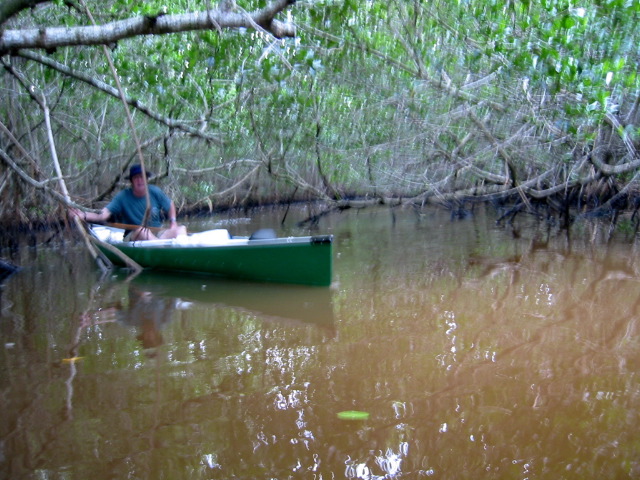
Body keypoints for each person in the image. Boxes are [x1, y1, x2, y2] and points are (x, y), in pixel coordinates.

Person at [70, 164, 187, 241]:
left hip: (157, 232)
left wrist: (173, 222)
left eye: (142, 177)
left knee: (181, 229)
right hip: (134, 236)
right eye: (136, 178)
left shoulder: (155, 191)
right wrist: (83, 215)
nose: (140, 181)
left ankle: (179, 249)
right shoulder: (122, 196)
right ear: (131, 181)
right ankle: (163, 248)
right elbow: (103, 215)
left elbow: (170, 205)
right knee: (142, 231)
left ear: (147, 179)